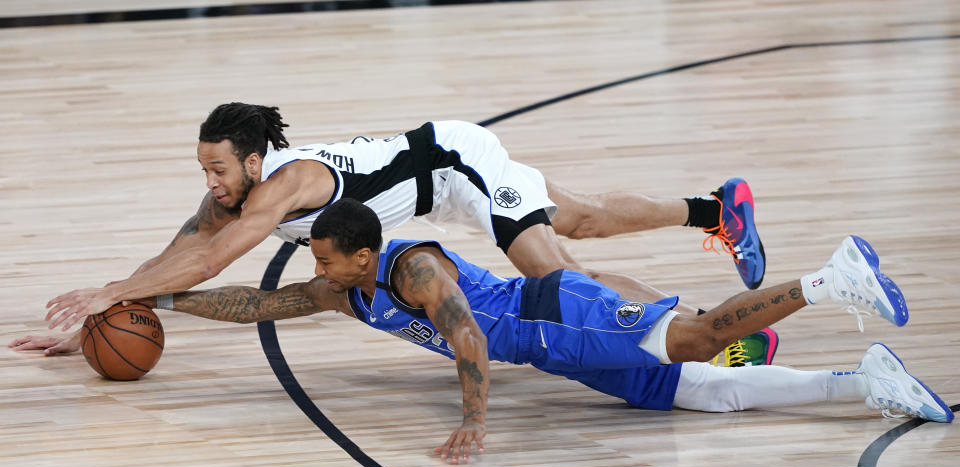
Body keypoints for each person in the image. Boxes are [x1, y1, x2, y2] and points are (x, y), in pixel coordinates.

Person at [142, 199, 953, 464]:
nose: (316, 271)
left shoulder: (410, 271)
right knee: (710, 394)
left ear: (363, 252)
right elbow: (256, 304)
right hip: (557, 351)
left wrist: (473, 422)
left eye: (327, 259)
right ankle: (864, 381)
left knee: (700, 340)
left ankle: (831, 278)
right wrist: (164, 307)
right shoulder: (340, 287)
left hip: (560, 316)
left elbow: (466, 339)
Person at [16, 102, 766, 360]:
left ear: (252, 159)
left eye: (217, 170)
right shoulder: (233, 190)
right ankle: (716, 210)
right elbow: (183, 248)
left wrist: (110, 293)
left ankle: (712, 332)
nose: (209, 184)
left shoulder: (287, 184)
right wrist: (104, 312)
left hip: (456, 165)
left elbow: (213, 259)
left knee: (556, 277)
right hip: (437, 183)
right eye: (203, 171)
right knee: (584, 216)